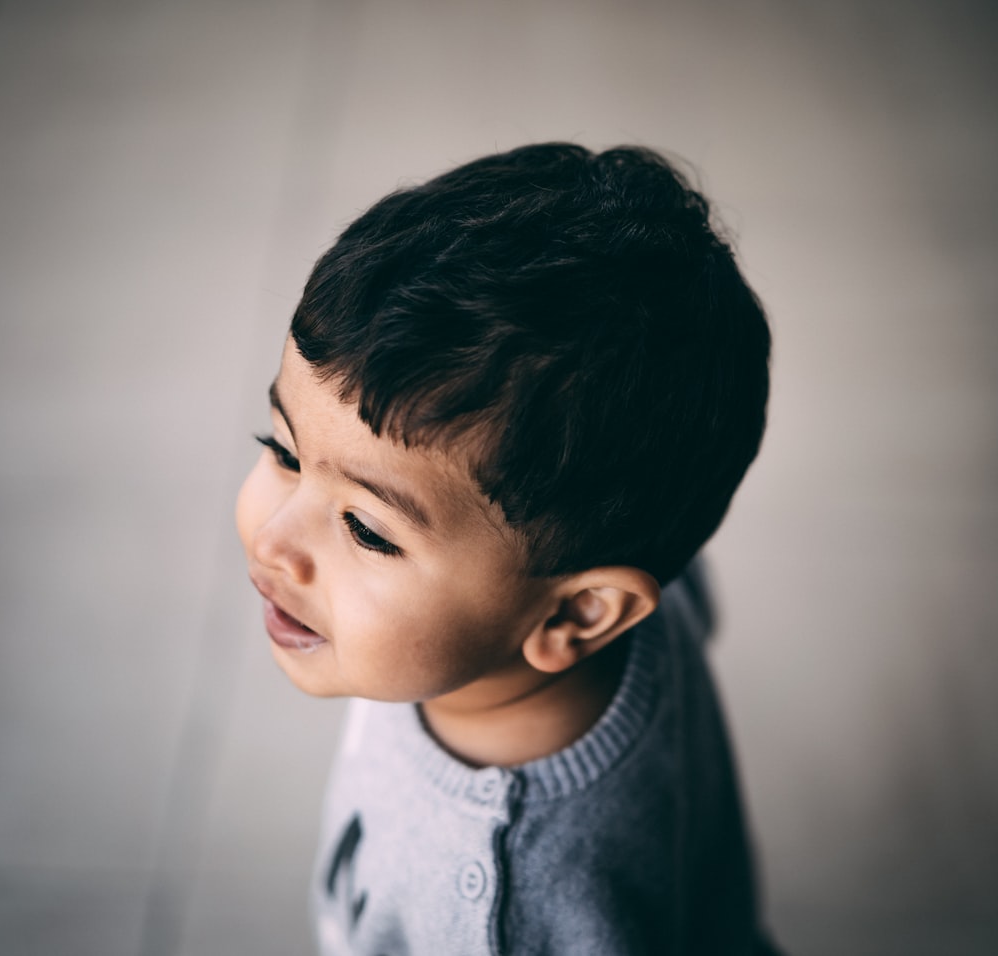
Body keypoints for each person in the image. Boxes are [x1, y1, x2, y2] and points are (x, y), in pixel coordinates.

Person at [236, 143, 778, 955]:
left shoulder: (498, 909)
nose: (276, 542)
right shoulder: (621, 546)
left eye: (366, 530)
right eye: (283, 451)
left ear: (578, 613)